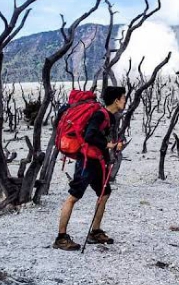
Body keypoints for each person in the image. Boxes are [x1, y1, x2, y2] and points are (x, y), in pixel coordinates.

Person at [53, 86, 126, 251]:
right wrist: (108, 145)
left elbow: (101, 137)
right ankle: (61, 237)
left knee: (104, 193)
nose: (125, 101)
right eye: (123, 98)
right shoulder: (100, 115)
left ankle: (95, 231)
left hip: (97, 162)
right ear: (116, 100)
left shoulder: (108, 116)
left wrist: (112, 147)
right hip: (87, 162)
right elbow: (90, 136)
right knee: (73, 196)